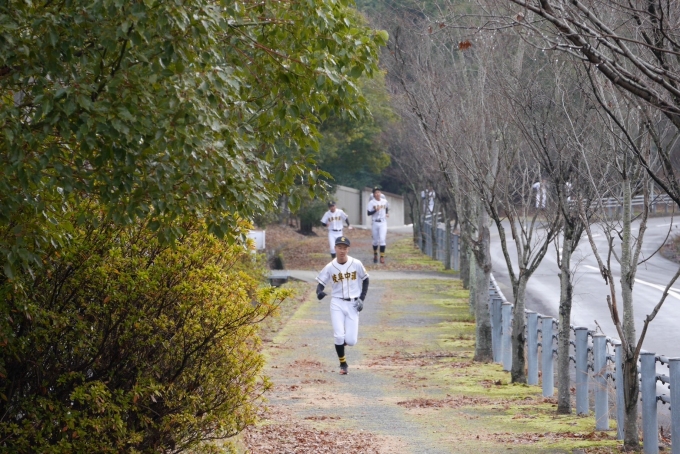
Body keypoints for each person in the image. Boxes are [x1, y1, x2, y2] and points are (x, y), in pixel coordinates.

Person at [316, 236, 369, 375]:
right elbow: (320, 284)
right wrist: (319, 292)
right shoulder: (330, 267)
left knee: (351, 341)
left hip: (353, 303)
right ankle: (343, 364)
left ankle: (344, 341)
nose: (342, 250)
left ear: (348, 249)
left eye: (344, 248)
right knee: (339, 336)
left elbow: (366, 279)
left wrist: (362, 298)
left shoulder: (356, 263)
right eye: (339, 247)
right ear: (335, 248)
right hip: (337, 303)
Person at [366, 187, 389, 264]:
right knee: (375, 241)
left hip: (383, 222)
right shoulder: (371, 202)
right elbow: (368, 213)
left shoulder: (384, 201)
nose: (377, 194)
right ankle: (375, 254)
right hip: (375, 222)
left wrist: (386, 213)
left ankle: (382, 256)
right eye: (376, 193)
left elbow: (387, 207)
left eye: (378, 192)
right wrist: (375, 210)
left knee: (382, 239)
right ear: (373, 194)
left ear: (380, 193)